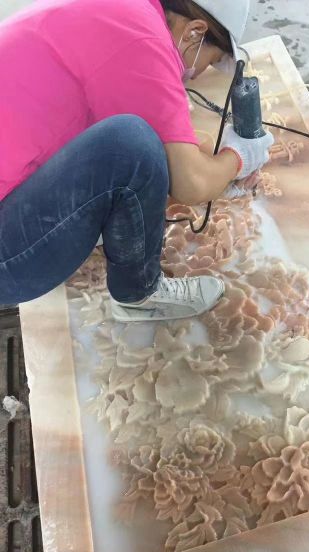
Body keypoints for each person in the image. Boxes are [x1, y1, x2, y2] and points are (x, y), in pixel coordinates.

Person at [0, 0, 273, 321]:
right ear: (195, 32)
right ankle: (140, 293)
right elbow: (191, 184)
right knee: (129, 143)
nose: (198, 74)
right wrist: (238, 157)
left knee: (133, 142)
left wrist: (211, 162)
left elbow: (165, 140)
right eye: (210, 61)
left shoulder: (121, 13)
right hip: (7, 259)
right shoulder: (144, 41)